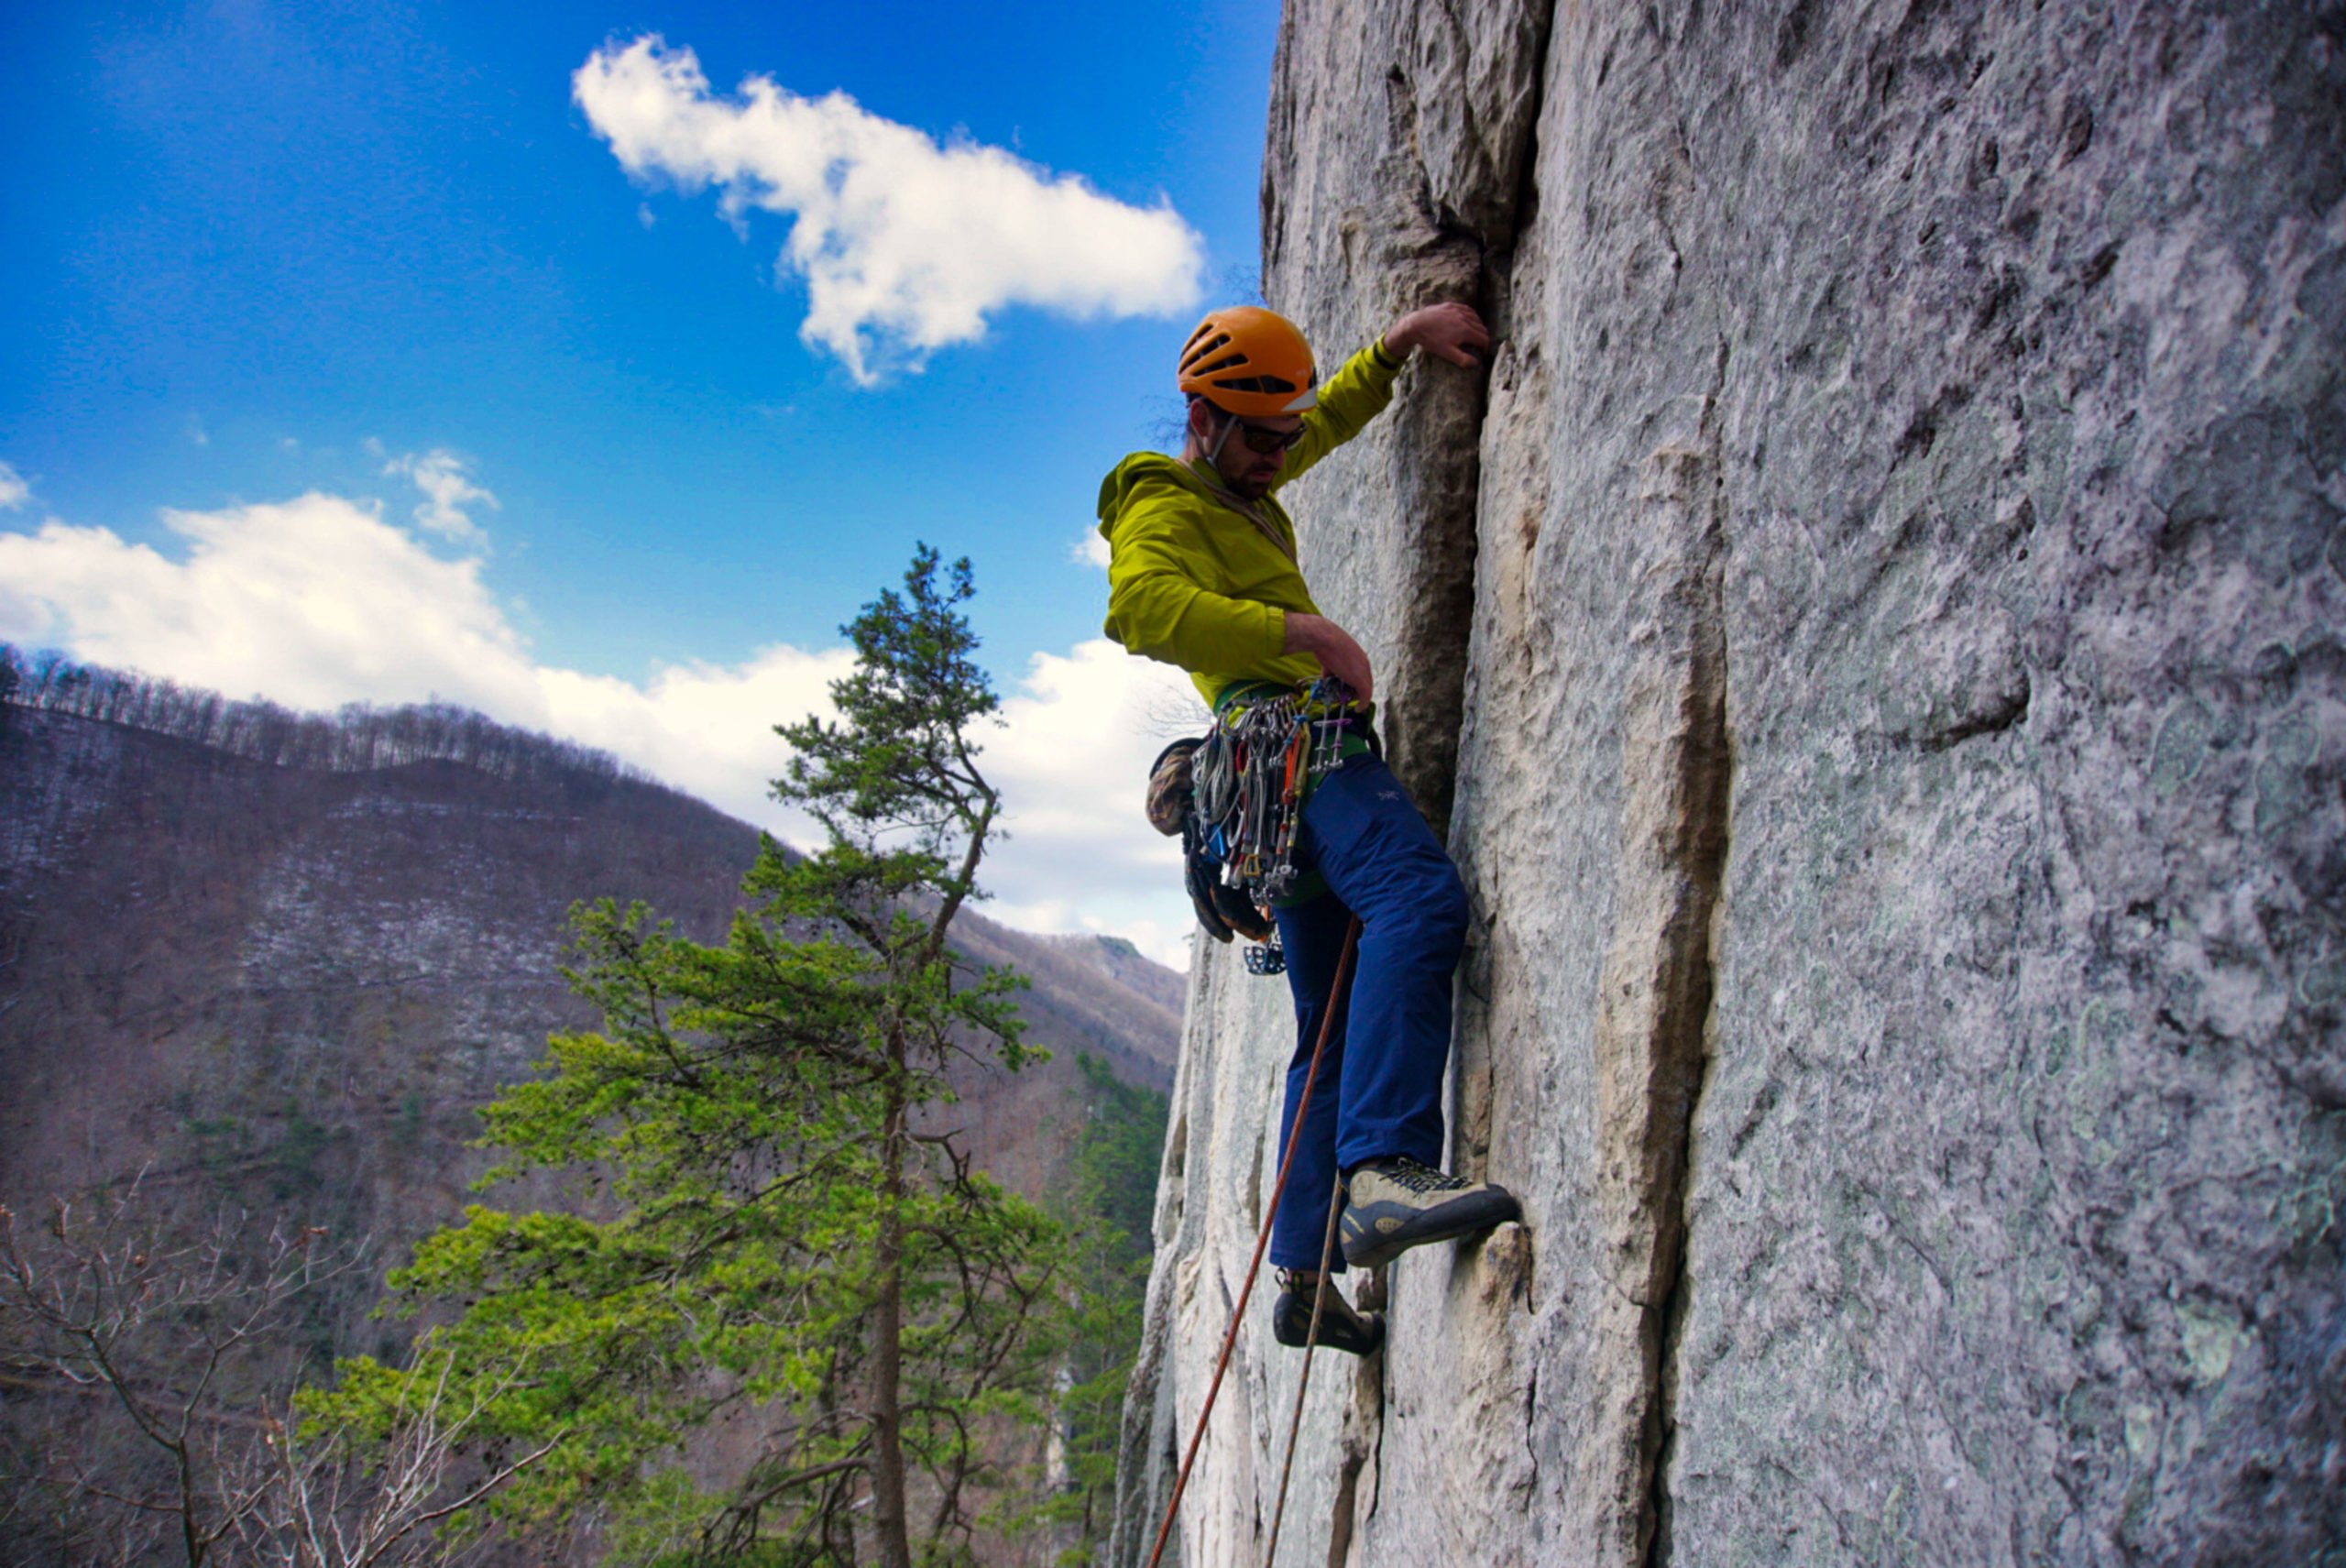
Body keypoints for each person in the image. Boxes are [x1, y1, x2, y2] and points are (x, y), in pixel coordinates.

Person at [1096, 302, 1522, 1356]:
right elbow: (1139, 608)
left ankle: (1302, 1269)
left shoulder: (1241, 480)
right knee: (1416, 900)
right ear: (1201, 419)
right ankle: (1382, 1166)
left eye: (1280, 435)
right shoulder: (1164, 500)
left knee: (1328, 1020)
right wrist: (1302, 629)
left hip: (1271, 785)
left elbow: (1320, 421)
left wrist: (1395, 349)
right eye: (1257, 435)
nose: (1278, 452)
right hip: (1297, 745)